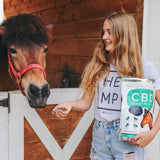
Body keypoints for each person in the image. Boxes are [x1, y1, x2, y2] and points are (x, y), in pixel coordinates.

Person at [52, 12, 160, 160]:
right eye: (103, 32)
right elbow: (86, 103)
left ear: (123, 33)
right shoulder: (99, 64)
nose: (104, 37)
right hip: (99, 134)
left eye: (109, 32)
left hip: (127, 139)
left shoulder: (143, 67)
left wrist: (152, 134)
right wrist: (69, 105)